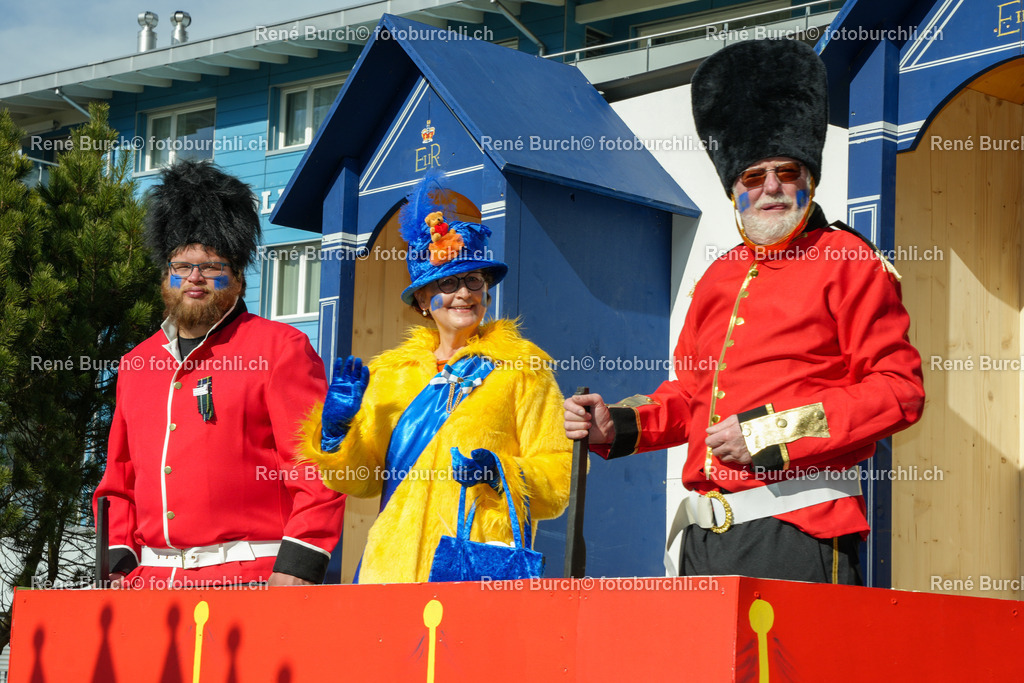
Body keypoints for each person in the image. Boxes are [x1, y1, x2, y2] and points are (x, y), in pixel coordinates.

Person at [564, 38, 925, 584]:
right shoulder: (718, 275)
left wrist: (769, 433)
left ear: (809, 180)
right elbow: (689, 397)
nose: (771, 187)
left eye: (787, 171)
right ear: (735, 190)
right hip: (703, 539)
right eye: (753, 177)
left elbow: (899, 391)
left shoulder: (848, 259)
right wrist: (616, 423)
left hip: (801, 530)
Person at [297, 174, 572, 584]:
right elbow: (360, 482)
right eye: (448, 283)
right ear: (424, 300)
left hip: (478, 569)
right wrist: (336, 432)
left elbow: (559, 477)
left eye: (474, 281)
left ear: (487, 293)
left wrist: (501, 473)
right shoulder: (391, 375)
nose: (464, 293)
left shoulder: (523, 368)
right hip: (390, 573)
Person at [93, 160, 345, 588]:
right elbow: (119, 481)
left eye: (212, 267)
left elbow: (315, 467)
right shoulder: (136, 363)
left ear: (238, 278)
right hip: (149, 585)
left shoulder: (281, 348)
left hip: (253, 580)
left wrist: (298, 565)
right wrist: (117, 563)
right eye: (182, 266)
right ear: (166, 275)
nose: (195, 278)